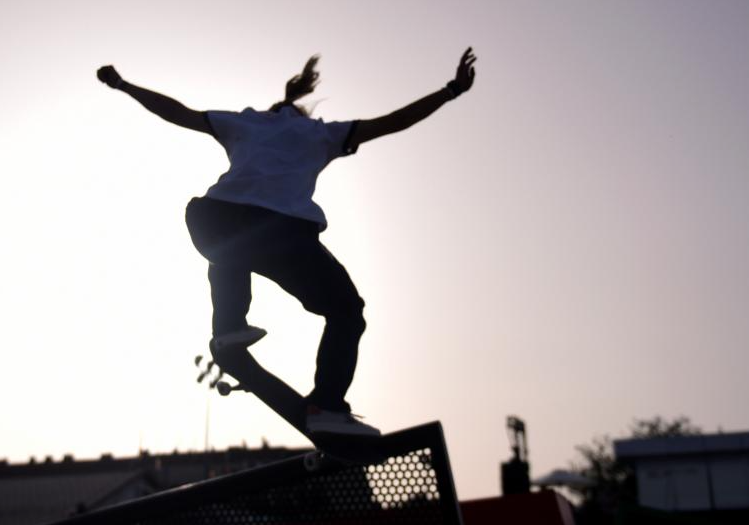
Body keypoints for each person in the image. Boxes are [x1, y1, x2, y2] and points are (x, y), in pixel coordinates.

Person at [97, 48, 477, 437]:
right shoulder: (322, 133)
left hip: (211, 216)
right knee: (347, 312)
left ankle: (227, 325)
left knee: (227, 246)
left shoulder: (244, 122)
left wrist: (125, 85)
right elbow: (392, 122)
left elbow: (176, 112)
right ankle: (327, 405)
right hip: (282, 233)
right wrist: (450, 91)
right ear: (301, 114)